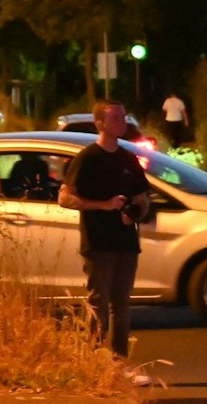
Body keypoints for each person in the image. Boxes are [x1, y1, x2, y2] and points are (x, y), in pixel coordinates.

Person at [59, 99, 154, 382]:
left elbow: (142, 199)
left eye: (123, 117)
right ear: (100, 123)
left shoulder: (128, 159)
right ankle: (96, 363)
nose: (121, 123)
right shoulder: (88, 158)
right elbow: (65, 197)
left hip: (126, 242)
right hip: (98, 242)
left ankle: (121, 363)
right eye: (115, 118)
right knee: (98, 302)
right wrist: (103, 206)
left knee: (122, 304)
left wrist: (134, 214)